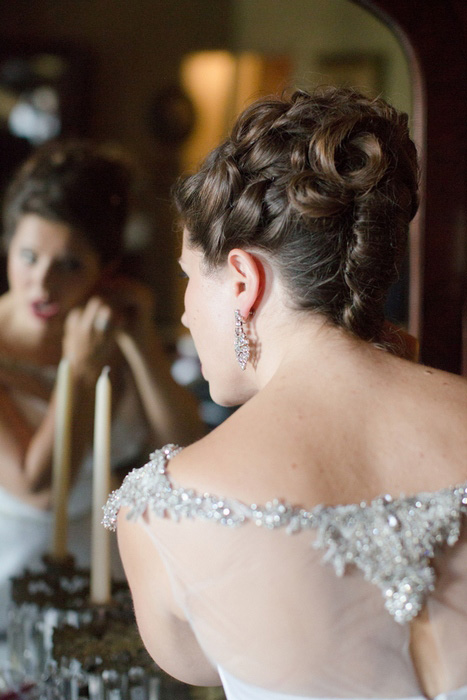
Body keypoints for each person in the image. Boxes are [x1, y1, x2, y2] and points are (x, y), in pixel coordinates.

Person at [104, 87, 467, 700]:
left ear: (244, 279)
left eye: (191, 278)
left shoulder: (165, 514)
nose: (188, 315)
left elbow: (198, 667)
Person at [0, 138, 203, 627]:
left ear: (104, 269)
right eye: (28, 257)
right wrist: (80, 373)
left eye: (69, 265)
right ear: (8, 245)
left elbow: (186, 450)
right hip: (15, 582)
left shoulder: (110, 331)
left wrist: (141, 341)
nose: (43, 284)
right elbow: (40, 488)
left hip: (108, 573)